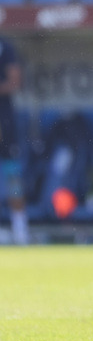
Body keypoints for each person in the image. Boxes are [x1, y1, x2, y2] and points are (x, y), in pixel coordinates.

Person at [0, 35, 25, 245]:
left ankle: (20, 229)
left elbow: (14, 81)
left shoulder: (5, 48)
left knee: (12, 176)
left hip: (4, 124)